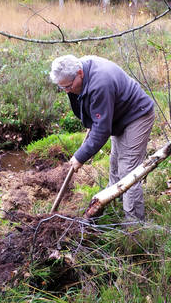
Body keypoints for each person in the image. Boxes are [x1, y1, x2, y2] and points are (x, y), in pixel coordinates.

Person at [49, 54, 155, 221]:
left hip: (137, 115)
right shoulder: (78, 71)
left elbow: (101, 131)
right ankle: (112, 203)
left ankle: (134, 225)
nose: (67, 91)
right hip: (117, 116)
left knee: (128, 170)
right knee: (115, 165)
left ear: (80, 73)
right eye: (62, 88)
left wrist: (80, 157)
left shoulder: (100, 83)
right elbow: (93, 115)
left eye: (68, 86)